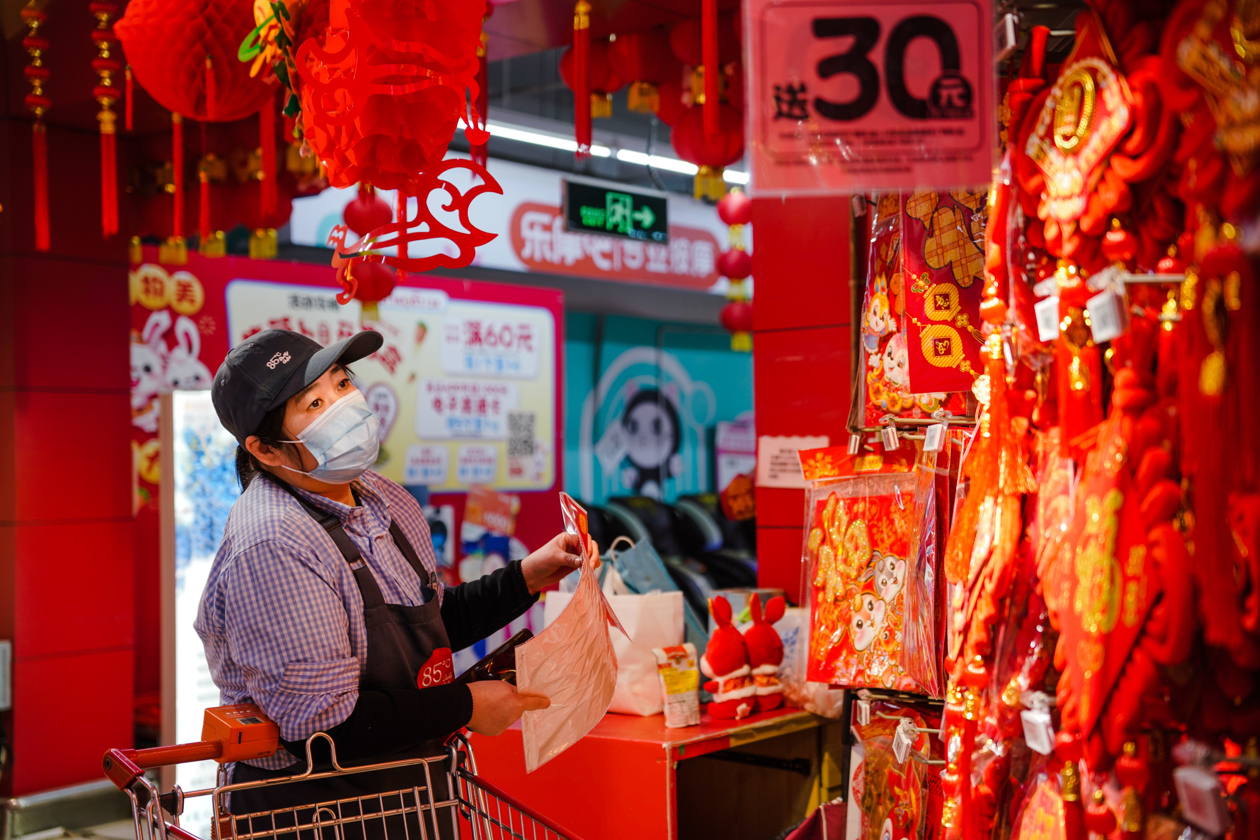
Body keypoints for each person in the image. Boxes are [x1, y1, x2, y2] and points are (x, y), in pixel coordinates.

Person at [195, 329, 593, 834]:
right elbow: (322, 726)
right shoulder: (274, 544)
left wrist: (527, 577)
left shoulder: (383, 497)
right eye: (315, 402)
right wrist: (466, 705)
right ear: (266, 451)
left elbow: (424, 624)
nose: (344, 404)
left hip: (407, 794)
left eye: (341, 383)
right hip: (317, 813)